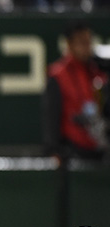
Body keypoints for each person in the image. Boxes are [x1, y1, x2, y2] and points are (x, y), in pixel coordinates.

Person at [42, 21, 109, 162]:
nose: (87, 47)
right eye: (82, 43)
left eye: (89, 42)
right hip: (72, 152)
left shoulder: (98, 71)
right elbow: (52, 116)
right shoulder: (58, 76)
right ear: (70, 44)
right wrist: (54, 150)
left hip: (100, 149)